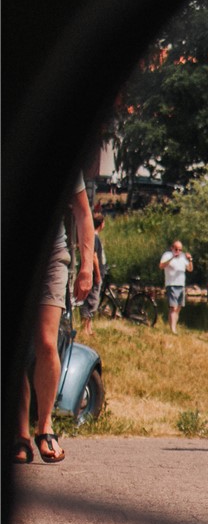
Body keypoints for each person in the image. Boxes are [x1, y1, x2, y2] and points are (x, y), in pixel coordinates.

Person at [15, 177, 95, 464]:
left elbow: (84, 213)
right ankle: (19, 433)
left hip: (51, 256)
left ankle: (44, 425)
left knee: (47, 343)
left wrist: (87, 266)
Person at [79, 210, 105, 338]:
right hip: (94, 275)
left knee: (93, 302)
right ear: (101, 224)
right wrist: (98, 274)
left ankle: (89, 328)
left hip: (95, 275)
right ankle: (85, 328)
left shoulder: (95, 237)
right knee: (90, 301)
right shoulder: (94, 238)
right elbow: (94, 257)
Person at [159, 239, 193, 333]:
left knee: (178, 308)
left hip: (181, 285)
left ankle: (174, 327)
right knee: (173, 307)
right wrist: (172, 258)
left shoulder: (183, 257)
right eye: (176, 249)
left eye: (180, 249)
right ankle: (172, 329)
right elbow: (161, 266)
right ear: (172, 248)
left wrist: (190, 260)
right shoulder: (167, 255)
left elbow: (190, 269)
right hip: (171, 284)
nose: (178, 251)